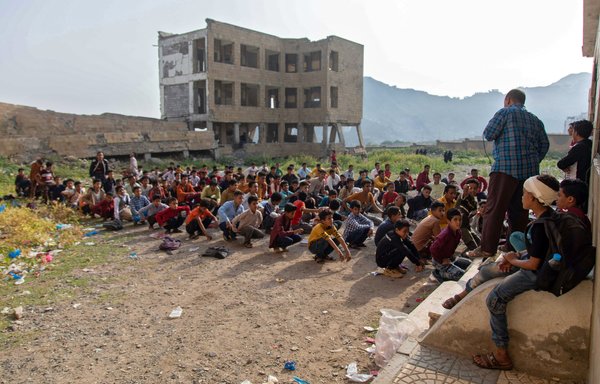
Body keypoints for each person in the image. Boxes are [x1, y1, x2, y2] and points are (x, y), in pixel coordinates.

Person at [472, 175, 559, 371]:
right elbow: (538, 251)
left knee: (494, 299)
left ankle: (501, 355)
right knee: (494, 269)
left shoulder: (539, 227)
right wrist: (516, 255)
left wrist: (513, 260)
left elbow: (534, 264)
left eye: (525, 193)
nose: (521, 197)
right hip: (539, 266)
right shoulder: (549, 217)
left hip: (536, 274)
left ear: (535, 198)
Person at [467, 89, 549, 258]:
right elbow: (544, 145)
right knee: (519, 212)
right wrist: (532, 161)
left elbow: (489, 134)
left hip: (505, 169)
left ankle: (487, 248)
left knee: (495, 209)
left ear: (508, 100)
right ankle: (512, 248)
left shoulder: (505, 112)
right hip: (528, 174)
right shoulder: (536, 120)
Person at [429, 208, 472, 282]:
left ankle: (450, 267)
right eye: (455, 219)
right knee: (461, 275)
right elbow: (433, 249)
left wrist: (450, 257)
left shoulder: (458, 232)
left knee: (469, 264)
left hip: (449, 258)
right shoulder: (445, 235)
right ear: (448, 221)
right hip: (439, 261)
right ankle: (438, 273)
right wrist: (441, 260)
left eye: (460, 219)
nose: (458, 222)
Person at [557, 119, 593, 187]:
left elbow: (561, 163)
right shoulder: (589, 144)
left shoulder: (579, 147)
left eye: (573, 130)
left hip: (577, 184)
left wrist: (563, 166)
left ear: (576, 132)